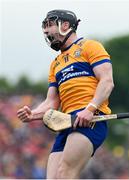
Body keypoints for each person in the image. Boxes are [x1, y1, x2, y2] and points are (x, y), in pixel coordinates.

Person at [17, 9, 114, 179]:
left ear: (66, 25)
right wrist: (33, 114)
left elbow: (107, 81)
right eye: (44, 27)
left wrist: (90, 109)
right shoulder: (56, 64)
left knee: (65, 173)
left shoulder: (90, 46)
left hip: (90, 119)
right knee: (53, 177)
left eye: (50, 25)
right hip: (67, 122)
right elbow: (51, 102)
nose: (46, 31)